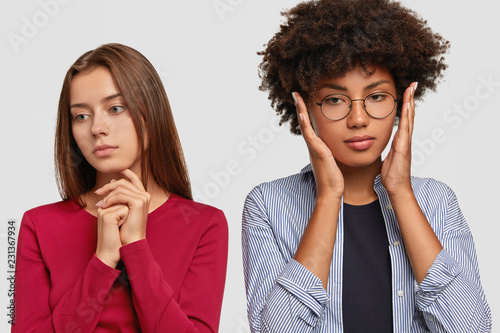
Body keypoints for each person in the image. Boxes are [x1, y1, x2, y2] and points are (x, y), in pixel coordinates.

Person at [242, 0, 491, 332]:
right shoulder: (268, 205)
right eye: (334, 100)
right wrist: (329, 195)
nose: (358, 119)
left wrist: (401, 193)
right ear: (303, 107)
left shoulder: (438, 201)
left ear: (402, 102)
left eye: (376, 97)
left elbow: (471, 329)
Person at [13, 43, 228, 332]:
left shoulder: (204, 224)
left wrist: (136, 247)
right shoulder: (38, 225)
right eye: (81, 115)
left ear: (151, 113)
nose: (96, 128)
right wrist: (102, 260)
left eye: (115, 108)